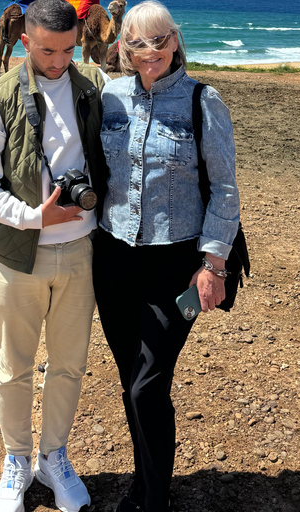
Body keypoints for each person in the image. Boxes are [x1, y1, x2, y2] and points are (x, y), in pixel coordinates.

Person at [0, 0, 109, 510]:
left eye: (68, 49)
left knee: (69, 365)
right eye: (47, 50)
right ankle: (16, 460)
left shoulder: (91, 86)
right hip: (18, 254)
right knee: (14, 366)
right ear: (25, 42)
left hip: (81, 253)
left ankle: (55, 456)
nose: (59, 60)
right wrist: (33, 217)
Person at [92, 2, 240, 511]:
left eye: (158, 41)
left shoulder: (204, 101)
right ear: (123, 48)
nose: (148, 52)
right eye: (137, 43)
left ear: (175, 41)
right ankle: (143, 480)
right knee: (130, 376)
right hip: (112, 260)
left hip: (175, 265)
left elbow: (224, 189)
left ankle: (153, 498)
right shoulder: (108, 97)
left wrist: (214, 264)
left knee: (147, 385)